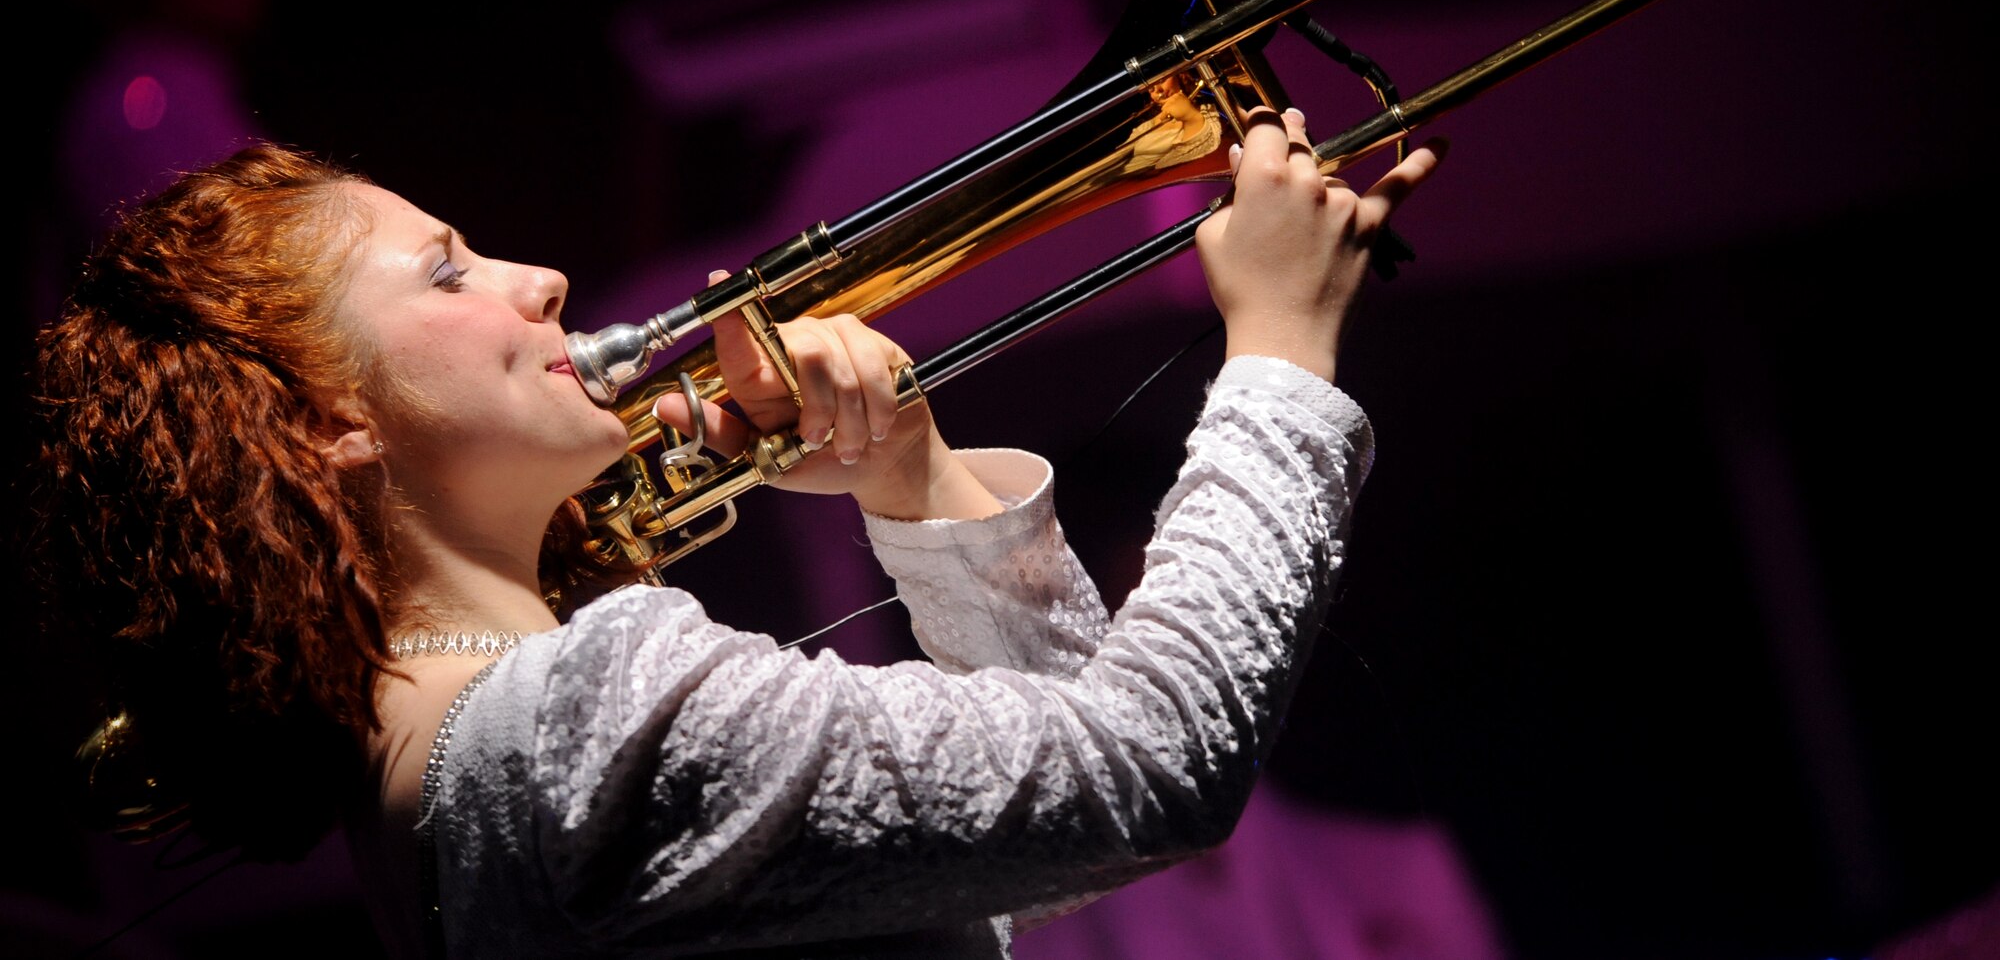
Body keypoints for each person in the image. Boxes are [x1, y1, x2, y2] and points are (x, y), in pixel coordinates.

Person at [26, 107, 1442, 958]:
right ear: (331, 419)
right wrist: (1280, 349)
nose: (541, 279)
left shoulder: (467, 753)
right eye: (450, 271)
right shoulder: (577, 720)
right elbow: (1156, 772)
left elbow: (1052, 848)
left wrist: (917, 479)